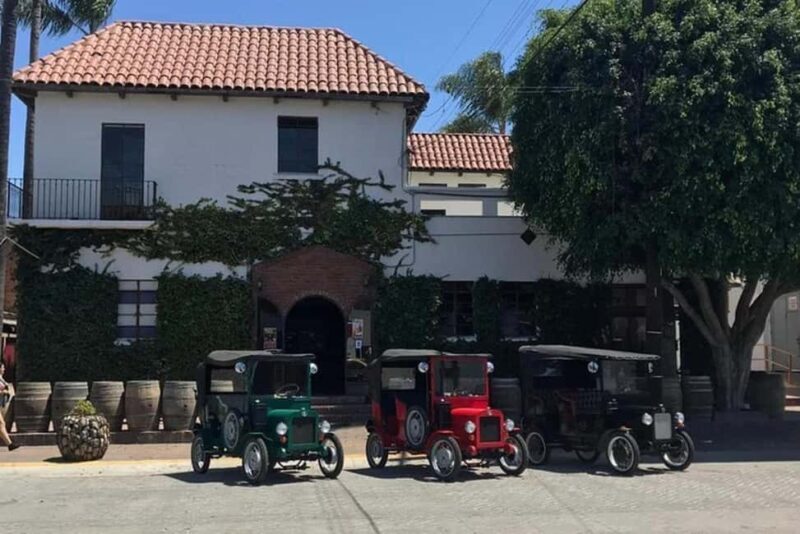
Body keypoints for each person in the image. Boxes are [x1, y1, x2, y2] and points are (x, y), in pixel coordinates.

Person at [0, 360, 20, 451]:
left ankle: (10, 444)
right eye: (2, 367)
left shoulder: (1, 378)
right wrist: (3, 392)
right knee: (1, 423)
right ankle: (10, 444)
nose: (4, 369)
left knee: (1, 424)